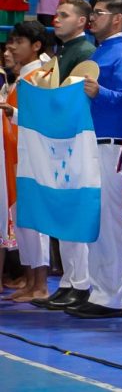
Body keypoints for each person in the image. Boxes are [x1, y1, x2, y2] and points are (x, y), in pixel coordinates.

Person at [65, 0, 122, 319]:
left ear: (117, 19)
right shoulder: (101, 51)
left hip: (111, 145)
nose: (92, 17)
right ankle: (98, 290)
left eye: (99, 13)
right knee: (95, 220)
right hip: (93, 142)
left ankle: (112, 297)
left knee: (110, 222)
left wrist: (99, 92)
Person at [29, 0, 95, 311]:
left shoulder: (84, 52)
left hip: (75, 140)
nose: (56, 19)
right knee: (62, 211)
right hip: (61, 139)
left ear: (82, 21)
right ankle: (69, 280)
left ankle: (80, 283)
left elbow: (70, 98)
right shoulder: (65, 51)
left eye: (64, 15)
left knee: (72, 211)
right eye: (55, 14)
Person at [0, 21, 48, 303]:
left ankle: (40, 284)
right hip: (15, 156)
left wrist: (12, 112)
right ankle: (30, 282)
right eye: (11, 41)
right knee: (22, 223)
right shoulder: (21, 77)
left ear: (36, 46)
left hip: (32, 158)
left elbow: (44, 120)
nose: (12, 47)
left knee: (35, 223)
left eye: (19, 42)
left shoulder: (42, 76)